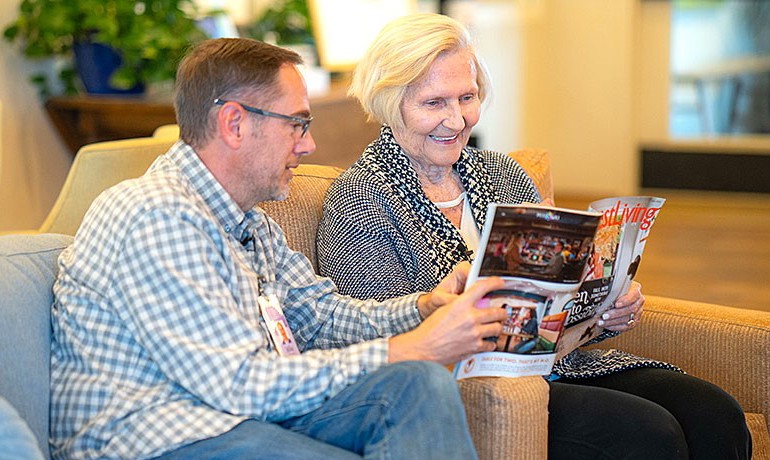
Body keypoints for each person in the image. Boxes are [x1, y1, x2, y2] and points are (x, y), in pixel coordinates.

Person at [49, 37, 510, 460]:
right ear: (234, 123)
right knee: (411, 367)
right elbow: (238, 383)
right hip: (162, 437)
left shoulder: (251, 222)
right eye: (297, 124)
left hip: (240, 420)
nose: (309, 144)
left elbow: (322, 318)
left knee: (418, 385)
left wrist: (425, 308)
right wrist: (411, 347)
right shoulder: (156, 214)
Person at [316, 13, 751, 460]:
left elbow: (557, 300)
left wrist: (602, 311)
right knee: (649, 432)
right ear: (391, 104)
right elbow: (379, 339)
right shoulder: (361, 197)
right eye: (434, 103)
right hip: (473, 386)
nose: (456, 118)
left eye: (467, 97)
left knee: (715, 414)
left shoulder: (502, 173)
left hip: (556, 365)